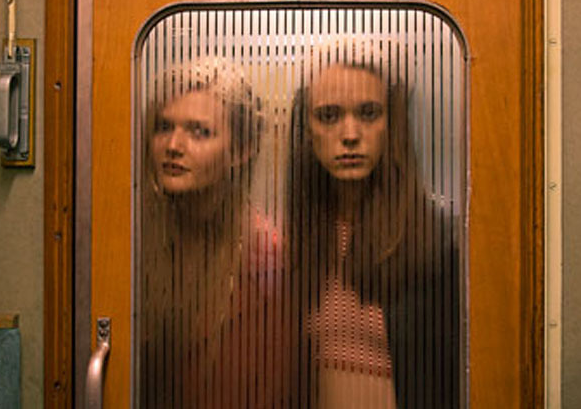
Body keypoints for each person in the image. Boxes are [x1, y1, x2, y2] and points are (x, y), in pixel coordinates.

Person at [140, 58, 284, 409]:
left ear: (242, 150)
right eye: (163, 126)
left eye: (199, 132)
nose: (174, 145)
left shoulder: (266, 255)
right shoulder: (137, 241)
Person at [288, 37, 412, 408]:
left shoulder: (432, 247)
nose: (350, 135)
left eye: (369, 113)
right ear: (307, 130)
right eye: (329, 115)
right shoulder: (296, 245)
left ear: (392, 124)